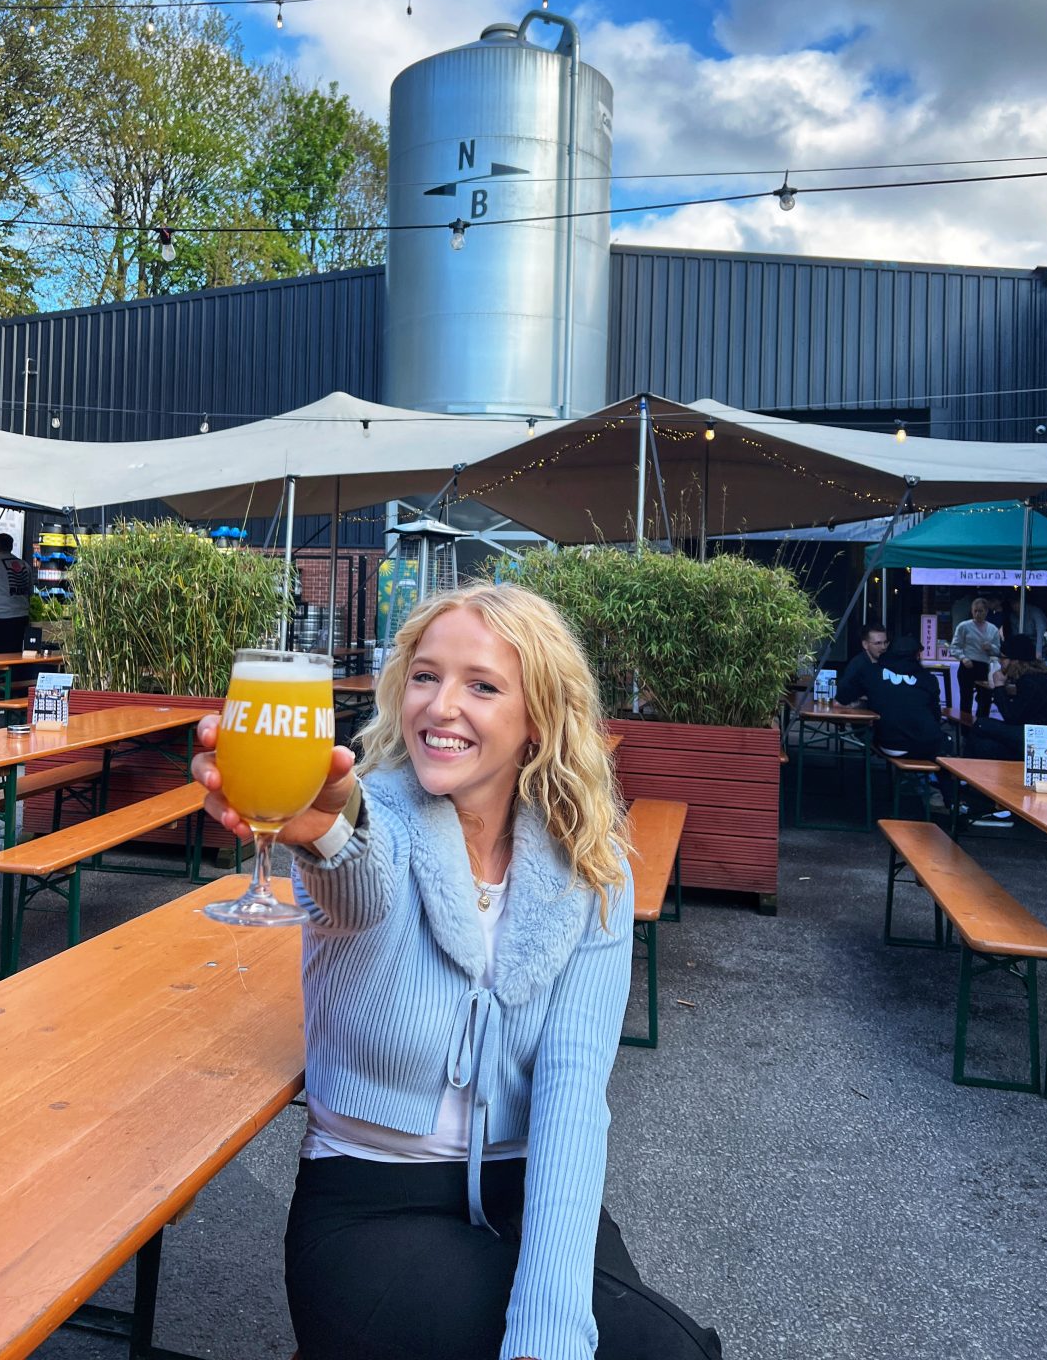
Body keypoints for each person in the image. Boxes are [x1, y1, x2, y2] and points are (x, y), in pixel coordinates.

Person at [194, 582, 722, 1360]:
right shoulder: (377, 819)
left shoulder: (590, 870)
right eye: (425, 675)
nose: (442, 706)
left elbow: (574, 1102)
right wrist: (323, 834)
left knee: (657, 1350)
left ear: (537, 718)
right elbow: (355, 879)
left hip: (523, 1187)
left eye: (481, 685)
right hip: (369, 1205)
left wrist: (548, 1337)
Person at [859, 633, 954, 808]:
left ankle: (928, 788)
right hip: (920, 744)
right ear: (917, 655)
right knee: (945, 745)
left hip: (886, 742)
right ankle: (951, 803)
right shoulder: (928, 679)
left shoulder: (874, 673)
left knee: (937, 744)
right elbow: (934, 716)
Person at [967, 633, 1047, 763]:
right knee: (986, 746)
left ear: (1015, 661)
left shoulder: (1029, 682)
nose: (1000, 663)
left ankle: (962, 777)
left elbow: (1011, 717)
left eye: (1003, 658)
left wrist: (999, 686)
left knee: (981, 725)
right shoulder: (1044, 678)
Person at [949, 596, 1002, 718]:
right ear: (972, 611)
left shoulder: (993, 629)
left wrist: (990, 648)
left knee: (985, 699)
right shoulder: (964, 626)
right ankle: (965, 731)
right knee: (966, 699)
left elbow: (998, 650)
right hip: (967, 665)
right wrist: (963, 657)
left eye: (981, 611)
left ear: (986, 612)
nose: (978, 614)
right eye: (975, 611)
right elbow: (954, 647)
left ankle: (981, 727)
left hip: (983, 667)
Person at [837, 619, 888, 706]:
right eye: (878, 643)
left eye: (885, 642)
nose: (883, 647)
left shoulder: (889, 663)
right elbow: (842, 695)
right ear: (865, 645)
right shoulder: (857, 666)